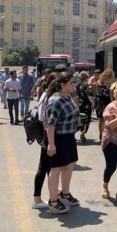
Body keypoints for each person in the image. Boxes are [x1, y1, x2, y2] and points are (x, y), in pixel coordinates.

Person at [45, 72, 80, 214]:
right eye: (71, 83)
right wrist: (51, 144)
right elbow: (50, 124)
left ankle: (65, 194)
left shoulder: (68, 96)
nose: (73, 85)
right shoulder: (55, 100)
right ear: (62, 85)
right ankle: (53, 201)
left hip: (69, 137)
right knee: (56, 169)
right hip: (59, 138)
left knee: (70, 165)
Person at [32, 73, 57, 209]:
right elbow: (44, 119)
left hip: (45, 136)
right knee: (43, 167)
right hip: (46, 136)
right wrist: (46, 140)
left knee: (49, 166)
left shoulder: (47, 95)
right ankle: (37, 199)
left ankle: (53, 190)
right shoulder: (48, 97)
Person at [95, 68, 115, 142]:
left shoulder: (99, 82)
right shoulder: (110, 83)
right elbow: (110, 95)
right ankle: (106, 135)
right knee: (108, 119)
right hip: (107, 102)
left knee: (101, 120)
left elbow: (96, 92)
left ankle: (101, 135)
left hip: (100, 102)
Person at [75, 71, 95, 142]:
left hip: (77, 103)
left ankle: (74, 133)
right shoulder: (87, 86)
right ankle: (83, 133)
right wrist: (93, 104)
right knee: (86, 119)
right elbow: (89, 95)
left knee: (77, 118)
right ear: (86, 78)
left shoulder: (76, 84)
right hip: (86, 104)